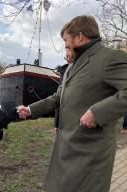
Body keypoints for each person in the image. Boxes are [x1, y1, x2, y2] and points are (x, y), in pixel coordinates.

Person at [17, 15, 127, 192]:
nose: (65, 46)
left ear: (80, 37)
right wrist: (30, 109)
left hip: (90, 155)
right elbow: (57, 98)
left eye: (67, 41)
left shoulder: (110, 58)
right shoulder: (72, 66)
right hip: (66, 150)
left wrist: (97, 113)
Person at [54, 47, 74, 131]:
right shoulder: (63, 69)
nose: (67, 55)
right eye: (66, 50)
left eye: (69, 50)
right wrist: (56, 123)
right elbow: (58, 98)